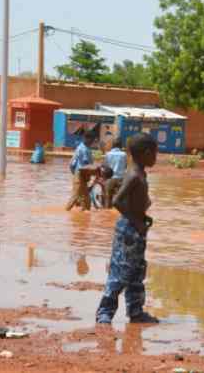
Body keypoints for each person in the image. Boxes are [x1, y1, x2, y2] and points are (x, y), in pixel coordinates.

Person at [96, 133, 159, 325]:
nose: (156, 158)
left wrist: (143, 218)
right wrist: (136, 220)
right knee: (119, 272)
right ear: (146, 153)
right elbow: (117, 201)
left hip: (137, 229)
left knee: (137, 273)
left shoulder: (141, 173)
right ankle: (104, 314)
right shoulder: (133, 174)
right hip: (128, 229)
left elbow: (133, 202)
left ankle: (136, 311)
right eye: (155, 154)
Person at [66, 132, 99, 211]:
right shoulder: (83, 149)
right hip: (80, 174)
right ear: (87, 139)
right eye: (92, 140)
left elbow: (72, 164)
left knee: (86, 199)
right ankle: (65, 211)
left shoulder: (84, 148)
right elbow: (86, 165)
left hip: (82, 175)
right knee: (75, 196)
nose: (93, 142)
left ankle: (83, 217)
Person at [103, 139, 127, 208]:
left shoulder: (108, 154)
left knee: (108, 198)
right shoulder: (124, 154)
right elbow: (125, 167)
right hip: (120, 179)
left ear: (113, 145)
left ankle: (107, 212)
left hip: (110, 179)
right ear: (120, 146)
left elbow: (105, 166)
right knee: (121, 198)